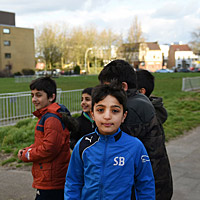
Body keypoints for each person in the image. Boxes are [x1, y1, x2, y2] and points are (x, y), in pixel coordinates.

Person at [64, 82, 155, 200]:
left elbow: (146, 185)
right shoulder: (83, 145)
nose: (107, 116)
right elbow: (73, 182)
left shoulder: (135, 147)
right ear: (92, 114)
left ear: (124, 116)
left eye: (115, 111)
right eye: (101, 110)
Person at [98, 60, 173, 200]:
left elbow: (115, 152)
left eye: (106, 88)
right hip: (154, 183)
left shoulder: (130, 109)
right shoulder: (138, 100)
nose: (104, 93)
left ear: (123, 86)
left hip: (146, 189)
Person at [18, 77, 72, 200]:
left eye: (38, 95)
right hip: (48, 177)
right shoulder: (47, 116)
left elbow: (50, 148)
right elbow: (42, 142)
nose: (34, 99)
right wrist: (27, 149)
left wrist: (28, 155)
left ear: (51, 97)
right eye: (32, 95)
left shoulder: (51, 118)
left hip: (51, 179)